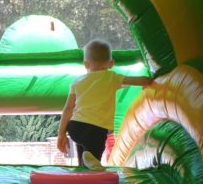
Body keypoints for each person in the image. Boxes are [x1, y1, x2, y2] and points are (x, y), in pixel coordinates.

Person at [56, 39, 153, 170]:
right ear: (111, 63)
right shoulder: (112, 78)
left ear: (86, 64)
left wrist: (61, 134)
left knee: (85, 154)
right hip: (96, 129)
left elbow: (68, 108)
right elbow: (142, 80)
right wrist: (148, 81)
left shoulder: (77, 82)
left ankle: (83, 169)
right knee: (93, 155)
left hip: (75, 127)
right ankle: (92, 166)